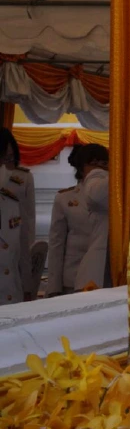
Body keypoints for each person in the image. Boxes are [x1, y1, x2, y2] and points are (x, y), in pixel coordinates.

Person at [47, 145, 109, 296]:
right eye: (94, 164)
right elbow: (57, 245)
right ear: (82, 168)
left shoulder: (111, 194)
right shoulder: (65, 198)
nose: (100, 168)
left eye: (105, 164)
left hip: (103, 274)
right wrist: (54, 287)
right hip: (72, 278)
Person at [0, 129, 35, 304]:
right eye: (3, 159)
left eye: (9, 159)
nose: (6, 167)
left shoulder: (22, 179)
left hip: (13, 238)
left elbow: (27, 230)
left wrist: (27, 285)